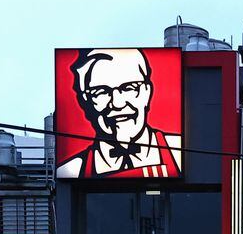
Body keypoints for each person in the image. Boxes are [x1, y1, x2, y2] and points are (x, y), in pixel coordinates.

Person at [57, 48, 183, 179]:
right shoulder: (72, 171)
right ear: (85, 101)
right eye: (101, 92)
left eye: (129, 88)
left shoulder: (179, 151)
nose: (117, 104)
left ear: (147, 92)